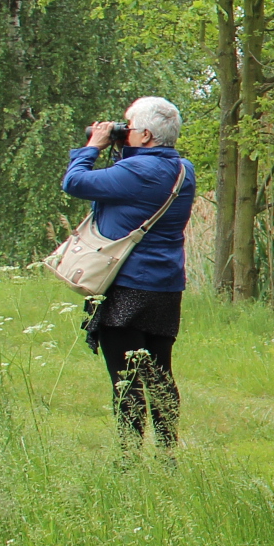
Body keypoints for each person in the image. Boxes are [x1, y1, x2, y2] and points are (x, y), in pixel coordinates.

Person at [63, 97, 196, 453]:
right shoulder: (184, 169)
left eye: (128, 126)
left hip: (126, 285)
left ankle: (129, 459)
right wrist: (122, 145)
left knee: (127, 381)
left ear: (147, 134)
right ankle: (168, 455)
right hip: (166, 287)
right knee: (160, 376)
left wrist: (93, 146)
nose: (122, 131)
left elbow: (74, 183)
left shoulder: (136, 172)